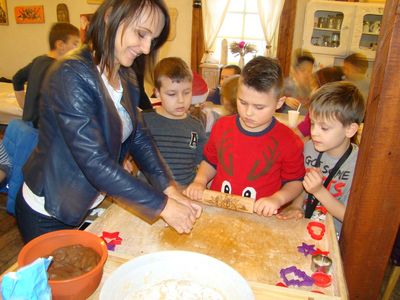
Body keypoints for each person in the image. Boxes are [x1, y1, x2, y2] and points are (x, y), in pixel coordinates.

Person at [15, 0, 201, 243]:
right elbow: (93, 161)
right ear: (111, 16)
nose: (146, 48)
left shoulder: (126, 74)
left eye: (152, 40)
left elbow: (139, 136)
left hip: (85, 204)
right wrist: (163, 206)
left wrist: (169, 189)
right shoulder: (70, 74)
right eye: (141, 33)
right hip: (49, 211)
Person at [185, 56, 305, 217]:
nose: (248, 112)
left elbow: (295, 182)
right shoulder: (222, 126)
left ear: (279, 102)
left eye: (259, 107)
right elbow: (210, 162)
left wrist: (277, 199)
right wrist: (200, 181)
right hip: (218, 212)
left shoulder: (289, 140)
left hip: (260, 217)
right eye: (242, 102)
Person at [276, 81, 365, 236]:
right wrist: (297, 205)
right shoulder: (309, 148)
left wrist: (318, 190)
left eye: (324, 128)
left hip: (331, 237)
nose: (314, 132)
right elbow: (302, 186)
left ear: (350, 130)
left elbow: (350, 218)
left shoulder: (359, 165)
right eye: (312, 124)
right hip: (301, 228)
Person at [141, 57, 206, 188]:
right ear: (157, 93)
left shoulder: (196, 126)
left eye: (187, 92)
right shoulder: (143, 120)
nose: (181, 100)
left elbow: (203, 163)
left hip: (185, 193)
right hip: (150, 193)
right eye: (172, 94)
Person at [12, 22, 80, 128]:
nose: (77, 49)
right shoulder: (59, 70)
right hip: (43, 134)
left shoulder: (38, 61)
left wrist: (25, 106)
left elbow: (17, 78)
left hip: (28, 126)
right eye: (75, 44)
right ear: (60, 45)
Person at [294, 66, 344, 141]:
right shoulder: (340, 107)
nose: (312, 90)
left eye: (314, 85)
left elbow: (298, 133)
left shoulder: (318, 111)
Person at [279, 49, 315, 115]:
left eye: (310, 71)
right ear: (294, 71)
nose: (306, 75)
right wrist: (284, 101)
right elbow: (271, 101)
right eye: (303, 70)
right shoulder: (284, 85)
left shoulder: (310, 87)